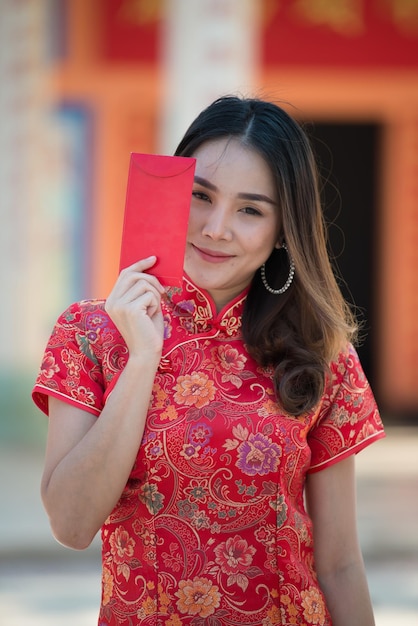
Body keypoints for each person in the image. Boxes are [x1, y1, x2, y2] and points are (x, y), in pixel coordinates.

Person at [32, 95, 385, 626]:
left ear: (282, 229)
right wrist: (143, 357)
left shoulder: (321, 353)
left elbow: (339, 564)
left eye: (250, 209)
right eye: (201, 196)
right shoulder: (92, 332)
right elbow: (71, 524)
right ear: (173, 194)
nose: (217, 228)